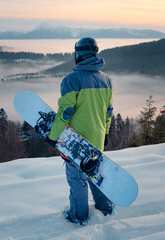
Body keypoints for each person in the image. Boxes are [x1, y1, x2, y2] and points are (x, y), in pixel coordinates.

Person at [45, 37, 114, 224]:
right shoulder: (106, 80)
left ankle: (79, 215)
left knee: (77, 179)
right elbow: (108, 112)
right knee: (95, 174)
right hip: (97, 139)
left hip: (76, 142)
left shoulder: (71, 80)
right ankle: (104, 206)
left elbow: (65, 112)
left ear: (78, 54)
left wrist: (53, 136)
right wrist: (105, 133)